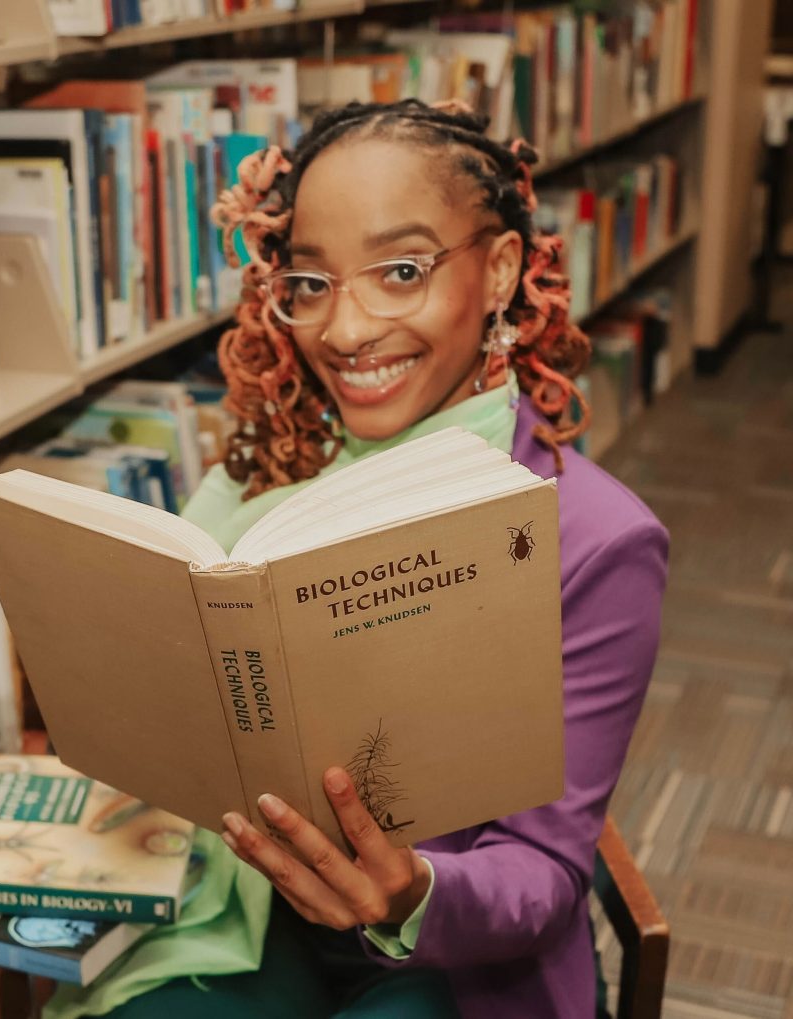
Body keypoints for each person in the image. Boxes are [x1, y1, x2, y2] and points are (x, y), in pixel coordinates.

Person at [83, 99, 669, 1019]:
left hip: (453, 958)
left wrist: (411, 893)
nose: (346, 331)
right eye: (312, 283)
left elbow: (548, 871)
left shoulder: (597, 541)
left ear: (503, 269)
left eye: (400, 271)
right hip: (250, 906)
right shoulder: (275, 461)